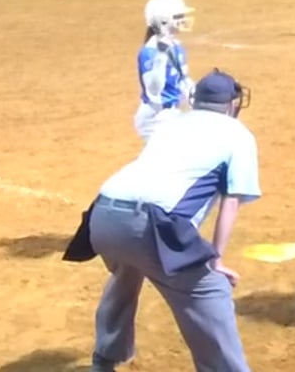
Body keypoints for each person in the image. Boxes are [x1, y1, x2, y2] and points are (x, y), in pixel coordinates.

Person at [72, 69, 260, 372]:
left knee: (128, 270)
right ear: (231, 104)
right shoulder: (238, 134)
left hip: (102, 215)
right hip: (149, 225)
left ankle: (103, 362)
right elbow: (231, 200)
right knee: (211, 291)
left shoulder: (172, 124)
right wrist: (217, 260)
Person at [136, 0, 195, 140]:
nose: (183, 20)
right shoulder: (150, 52)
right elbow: (154, 91)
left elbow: (182, 79)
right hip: (154, 117)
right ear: (163, 21)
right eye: (178, 16)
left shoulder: (176, 46)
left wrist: (197, 97)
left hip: (172, 113)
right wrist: (161, 57)